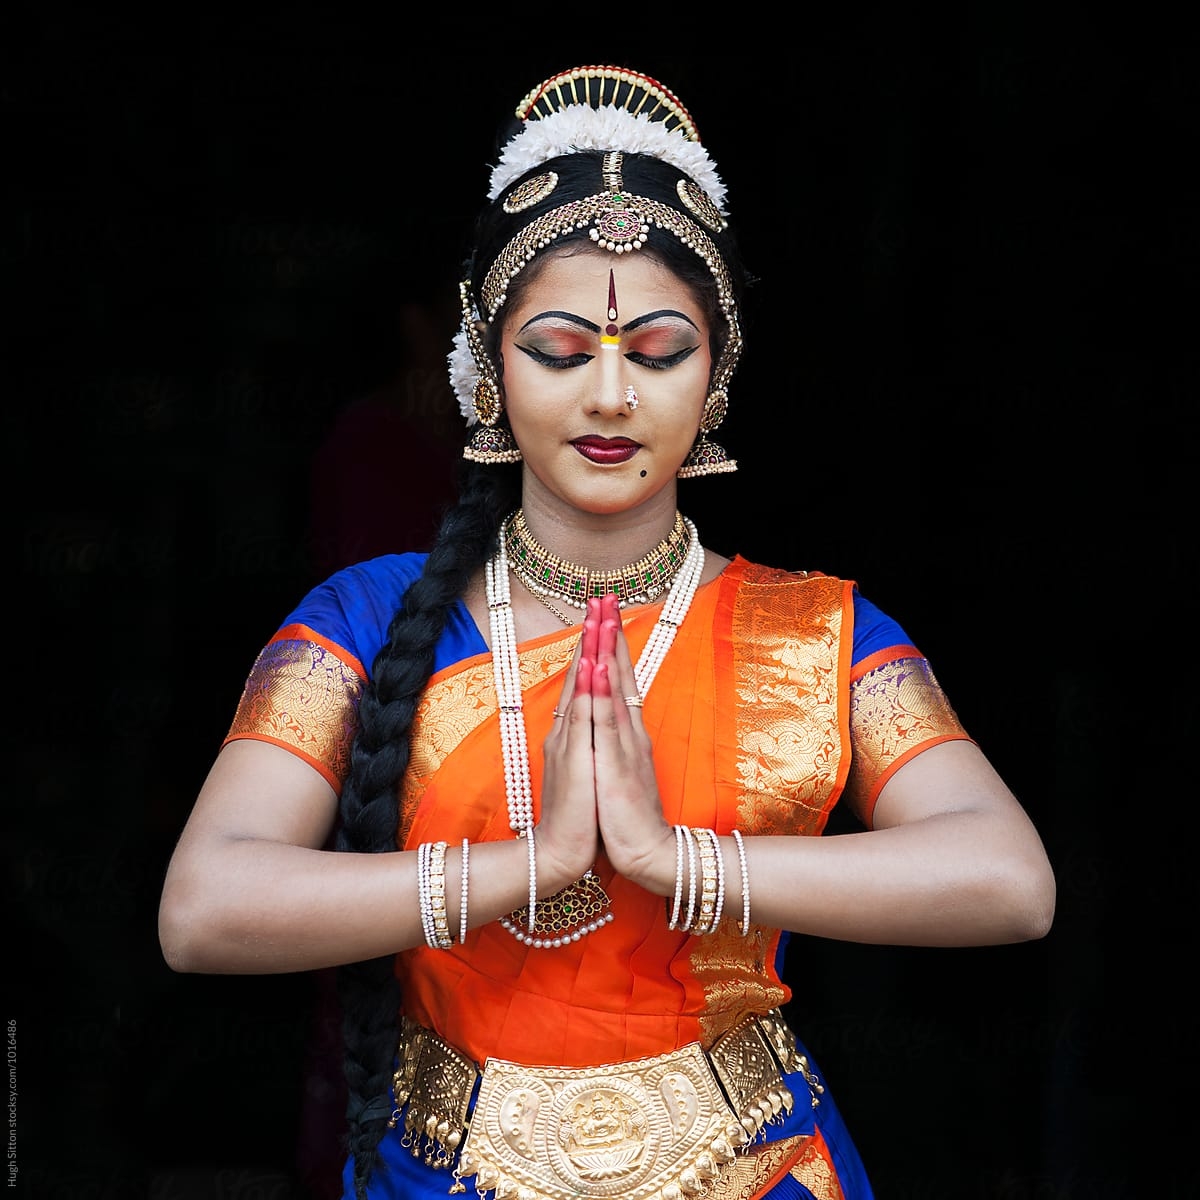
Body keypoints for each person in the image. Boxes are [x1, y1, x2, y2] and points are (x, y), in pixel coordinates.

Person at [158, 63, 1056, 1200]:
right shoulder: (363, 621)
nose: (612, 397)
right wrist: (524, 866)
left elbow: (1009, 881)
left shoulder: (820, 633)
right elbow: (205, 908)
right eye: (562, 351)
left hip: (759, 1168)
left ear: (717, 378)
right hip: (443, 1172)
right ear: (485, 371)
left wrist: (671, 861)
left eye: (661, 352)